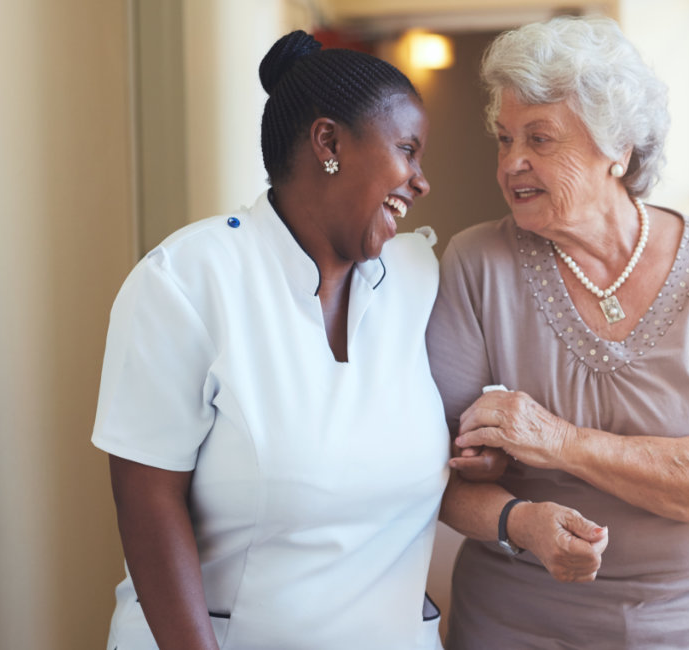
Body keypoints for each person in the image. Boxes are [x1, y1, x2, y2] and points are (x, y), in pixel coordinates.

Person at [430, 16, 689, 648]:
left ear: (618, 149)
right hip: (518, 621)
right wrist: (520, 520)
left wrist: (559, 442)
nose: (511, 161)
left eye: (540, 139)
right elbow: (433, 473)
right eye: (504, 138)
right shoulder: (476, 263)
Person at [92, 30, 443, 650]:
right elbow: (146, 501)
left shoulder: (418, 279)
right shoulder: (188, 281)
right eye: (407, 151)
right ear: (328, 141)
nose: (420, 181)